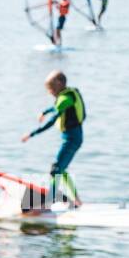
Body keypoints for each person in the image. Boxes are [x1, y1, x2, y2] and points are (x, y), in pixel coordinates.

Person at [21, 70, 85, 207]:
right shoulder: (67, 96)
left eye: (50, 89)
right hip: (73, 138)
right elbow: (55, 107)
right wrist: (44, 111)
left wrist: (31, 134)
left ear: (59, 85)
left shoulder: (66, 99)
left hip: (72, 139)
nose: (49, 92)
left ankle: (48, 202)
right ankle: (78, 201)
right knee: (61, 169)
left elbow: (51, 121)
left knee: (55, 170)